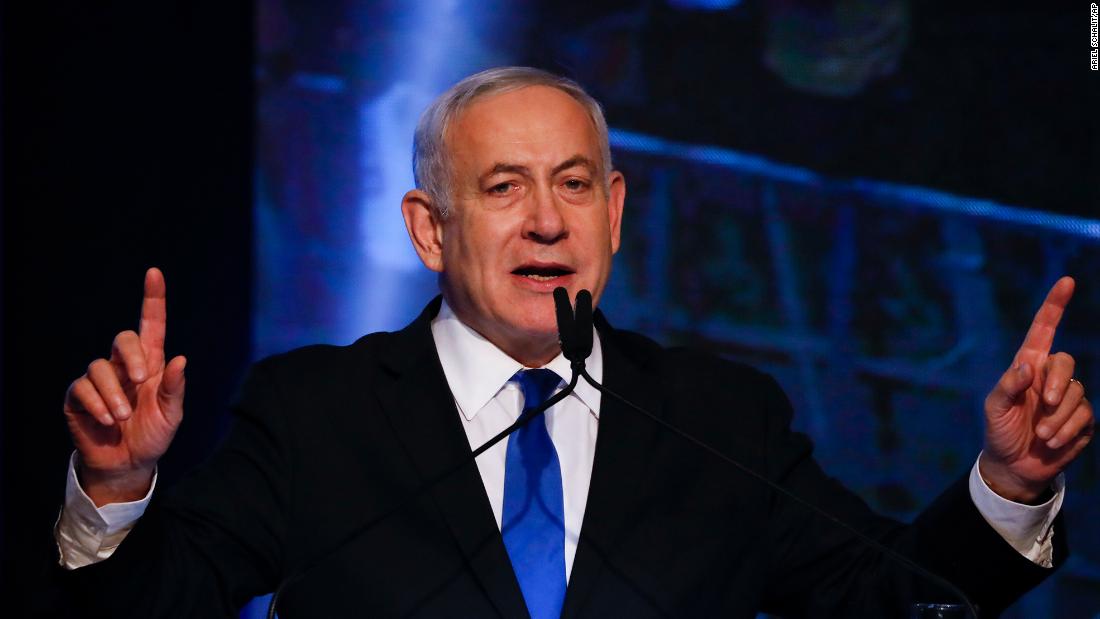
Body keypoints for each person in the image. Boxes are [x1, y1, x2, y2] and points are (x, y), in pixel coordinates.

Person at [54, 67, 1092, 618]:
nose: (546, 222)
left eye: (575, 184)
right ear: (428, 229)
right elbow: (152, 605)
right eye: (503, 188)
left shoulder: (718, 416)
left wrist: (1005, 484)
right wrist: (113, 489)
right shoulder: (316, 409)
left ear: (615, 214)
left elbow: (887, 601)